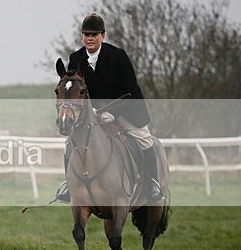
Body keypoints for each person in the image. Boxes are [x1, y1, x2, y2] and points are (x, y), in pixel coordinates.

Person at [56, 13, 164, 202]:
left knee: (144, 139)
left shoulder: (118, 56)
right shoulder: (75, 58)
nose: (89, 38)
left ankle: (152, 183)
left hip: (126, 109)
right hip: (91, 114)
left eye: (94, 35)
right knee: (69, 145)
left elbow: (128, 90)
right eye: (86, 35)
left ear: (103, 36)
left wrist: (110, 113)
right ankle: (69, 186)